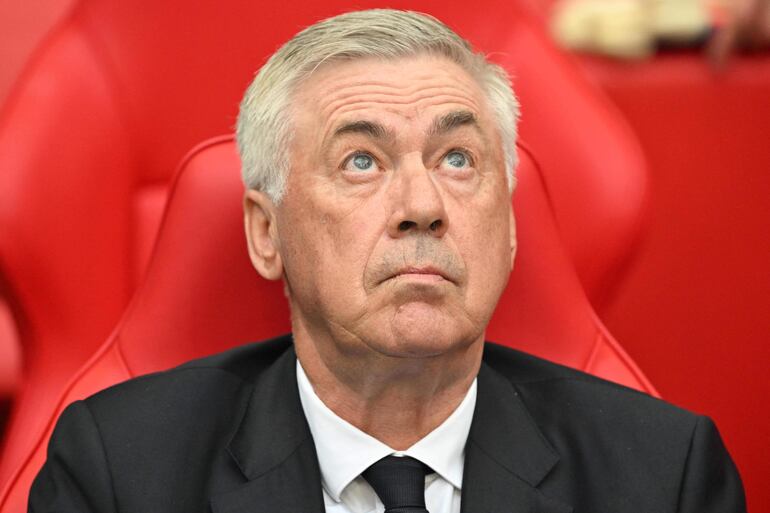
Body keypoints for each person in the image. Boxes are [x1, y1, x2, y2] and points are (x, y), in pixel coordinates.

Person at [28, 9, 745, 513]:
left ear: (511, 229)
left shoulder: (665, 475)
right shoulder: (118, 471)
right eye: (361, 160)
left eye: (458, 158)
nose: (422, 204)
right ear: (266, 233)